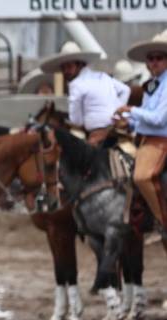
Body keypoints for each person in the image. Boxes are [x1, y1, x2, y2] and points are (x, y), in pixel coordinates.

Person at [116, 30, 167, 230]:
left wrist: (131, 111)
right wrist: (127, 123)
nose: (154, 62)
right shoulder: (152, 85)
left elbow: (159, 119)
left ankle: (162, 221)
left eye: (159, 58)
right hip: (147, 140)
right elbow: (146, 117)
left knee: (141, 177)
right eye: (151, 58)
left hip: (161, 141)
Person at [40, 42, 128, 146]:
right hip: (118, 129)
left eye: (69, 67)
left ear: (80, 65)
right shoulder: (101, 75)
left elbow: (76, 121)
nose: (65, 71)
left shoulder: (76, 84)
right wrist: (116, 111)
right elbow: (126, 90)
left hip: (97, 134)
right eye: (63, 68)